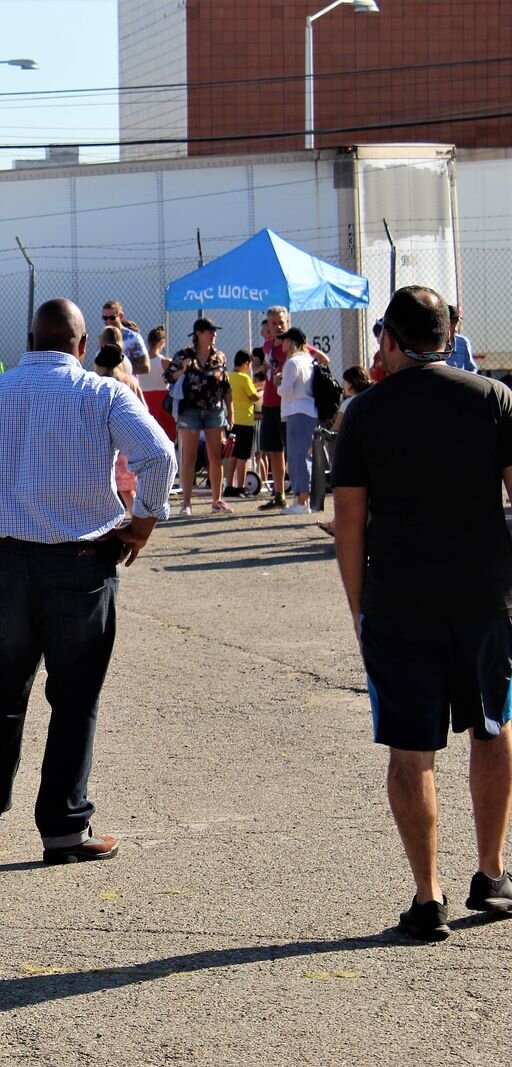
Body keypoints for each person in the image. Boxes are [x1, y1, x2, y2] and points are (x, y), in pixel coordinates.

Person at [0, 298, 176, 865]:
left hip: (4, 564)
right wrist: (143, 524)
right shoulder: (103, 394)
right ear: (81, 346)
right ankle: (64, 829)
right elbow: (158, 455)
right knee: (74, 700)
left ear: (28, 340)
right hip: (83, 563)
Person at [331, 284, 512, 939]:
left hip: (399, 601)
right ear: (447, 333)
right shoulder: (494, 399)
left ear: (388, 338)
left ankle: (427, 893)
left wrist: (360, 607)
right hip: (485, 598)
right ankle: (492, 874)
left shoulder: (366, 412)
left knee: (412, 751)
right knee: (491, 728)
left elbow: (348, 518)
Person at [163, 317, 232, 515]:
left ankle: (217, 499)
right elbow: (168, 376)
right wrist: (182, 369)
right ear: (198, 334)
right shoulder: (184, 354)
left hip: (214, 409)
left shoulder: (219, 356)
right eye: (209, 331)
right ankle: (186, 502)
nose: (213, 335)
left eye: (214, 331)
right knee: (189, 456)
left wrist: (231, 413)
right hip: (190, 409)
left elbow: (226, 386)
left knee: (215, 456)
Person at [92, 340, 142, 510]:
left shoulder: (97, 385)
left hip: (104, 442)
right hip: (127, 442)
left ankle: (109, 524)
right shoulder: (130, 382)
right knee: (127, 490)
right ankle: (137, 522)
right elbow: (143, 410)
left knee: (105, 488)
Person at [276, 327, 318, 515]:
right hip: (309, 411)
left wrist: (278, 384)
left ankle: (302, 502)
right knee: (305, 455)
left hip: (296, 412)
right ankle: (304, 499)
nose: (282, 343)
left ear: (291, 342)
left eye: (285, 340)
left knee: (297, 457)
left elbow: (286, 390)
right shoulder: (309, 361)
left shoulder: (292, 363)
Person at [224, 351, 259, 498]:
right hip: (245, 421)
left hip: (231, 420)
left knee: (231, 455)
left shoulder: (228, 377)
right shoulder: (245, 378)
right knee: (243, 457)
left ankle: (229, 486)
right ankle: (241, 487)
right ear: (246, 364)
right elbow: (254, 397)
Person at [102, 299, 148, 374]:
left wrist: (120, 370)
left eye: (112, 318)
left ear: (120, 316)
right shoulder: (104, 337)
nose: (108, 321)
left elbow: (145, 367)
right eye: (105, 318)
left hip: (126, 383)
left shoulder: (133, 337)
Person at [445, 304, 476, 373]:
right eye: (451, 322)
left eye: (457, 322)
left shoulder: (463, 342)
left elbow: (471, 369)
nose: (455, 328)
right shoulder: (436, 344)